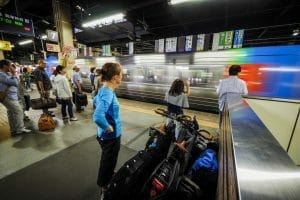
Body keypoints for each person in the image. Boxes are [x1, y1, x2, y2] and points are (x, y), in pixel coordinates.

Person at [93, 62, 123, 199]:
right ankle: (104, 188)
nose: (122, 77)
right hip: (110, 137)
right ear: (115, 77)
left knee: (109, 161)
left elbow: (94, 101)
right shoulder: (108, 93)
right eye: (121, 75)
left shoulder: (104, 89)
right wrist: (108, 127)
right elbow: (97, 116)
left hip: (104, 136)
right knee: (107, 162)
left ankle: (109, 174)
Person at [0, 59, 31, 135]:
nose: (11, 67)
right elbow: (15, 82)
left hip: (11, 96)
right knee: (18, 111)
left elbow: (16, 82)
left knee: (11, 113)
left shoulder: (6, 74)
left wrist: (13, 76)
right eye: (10, 65)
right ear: (5, 66)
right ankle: (19, 129)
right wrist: (13, 74)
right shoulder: (1, 74)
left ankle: (14, 129)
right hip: (7, 97)